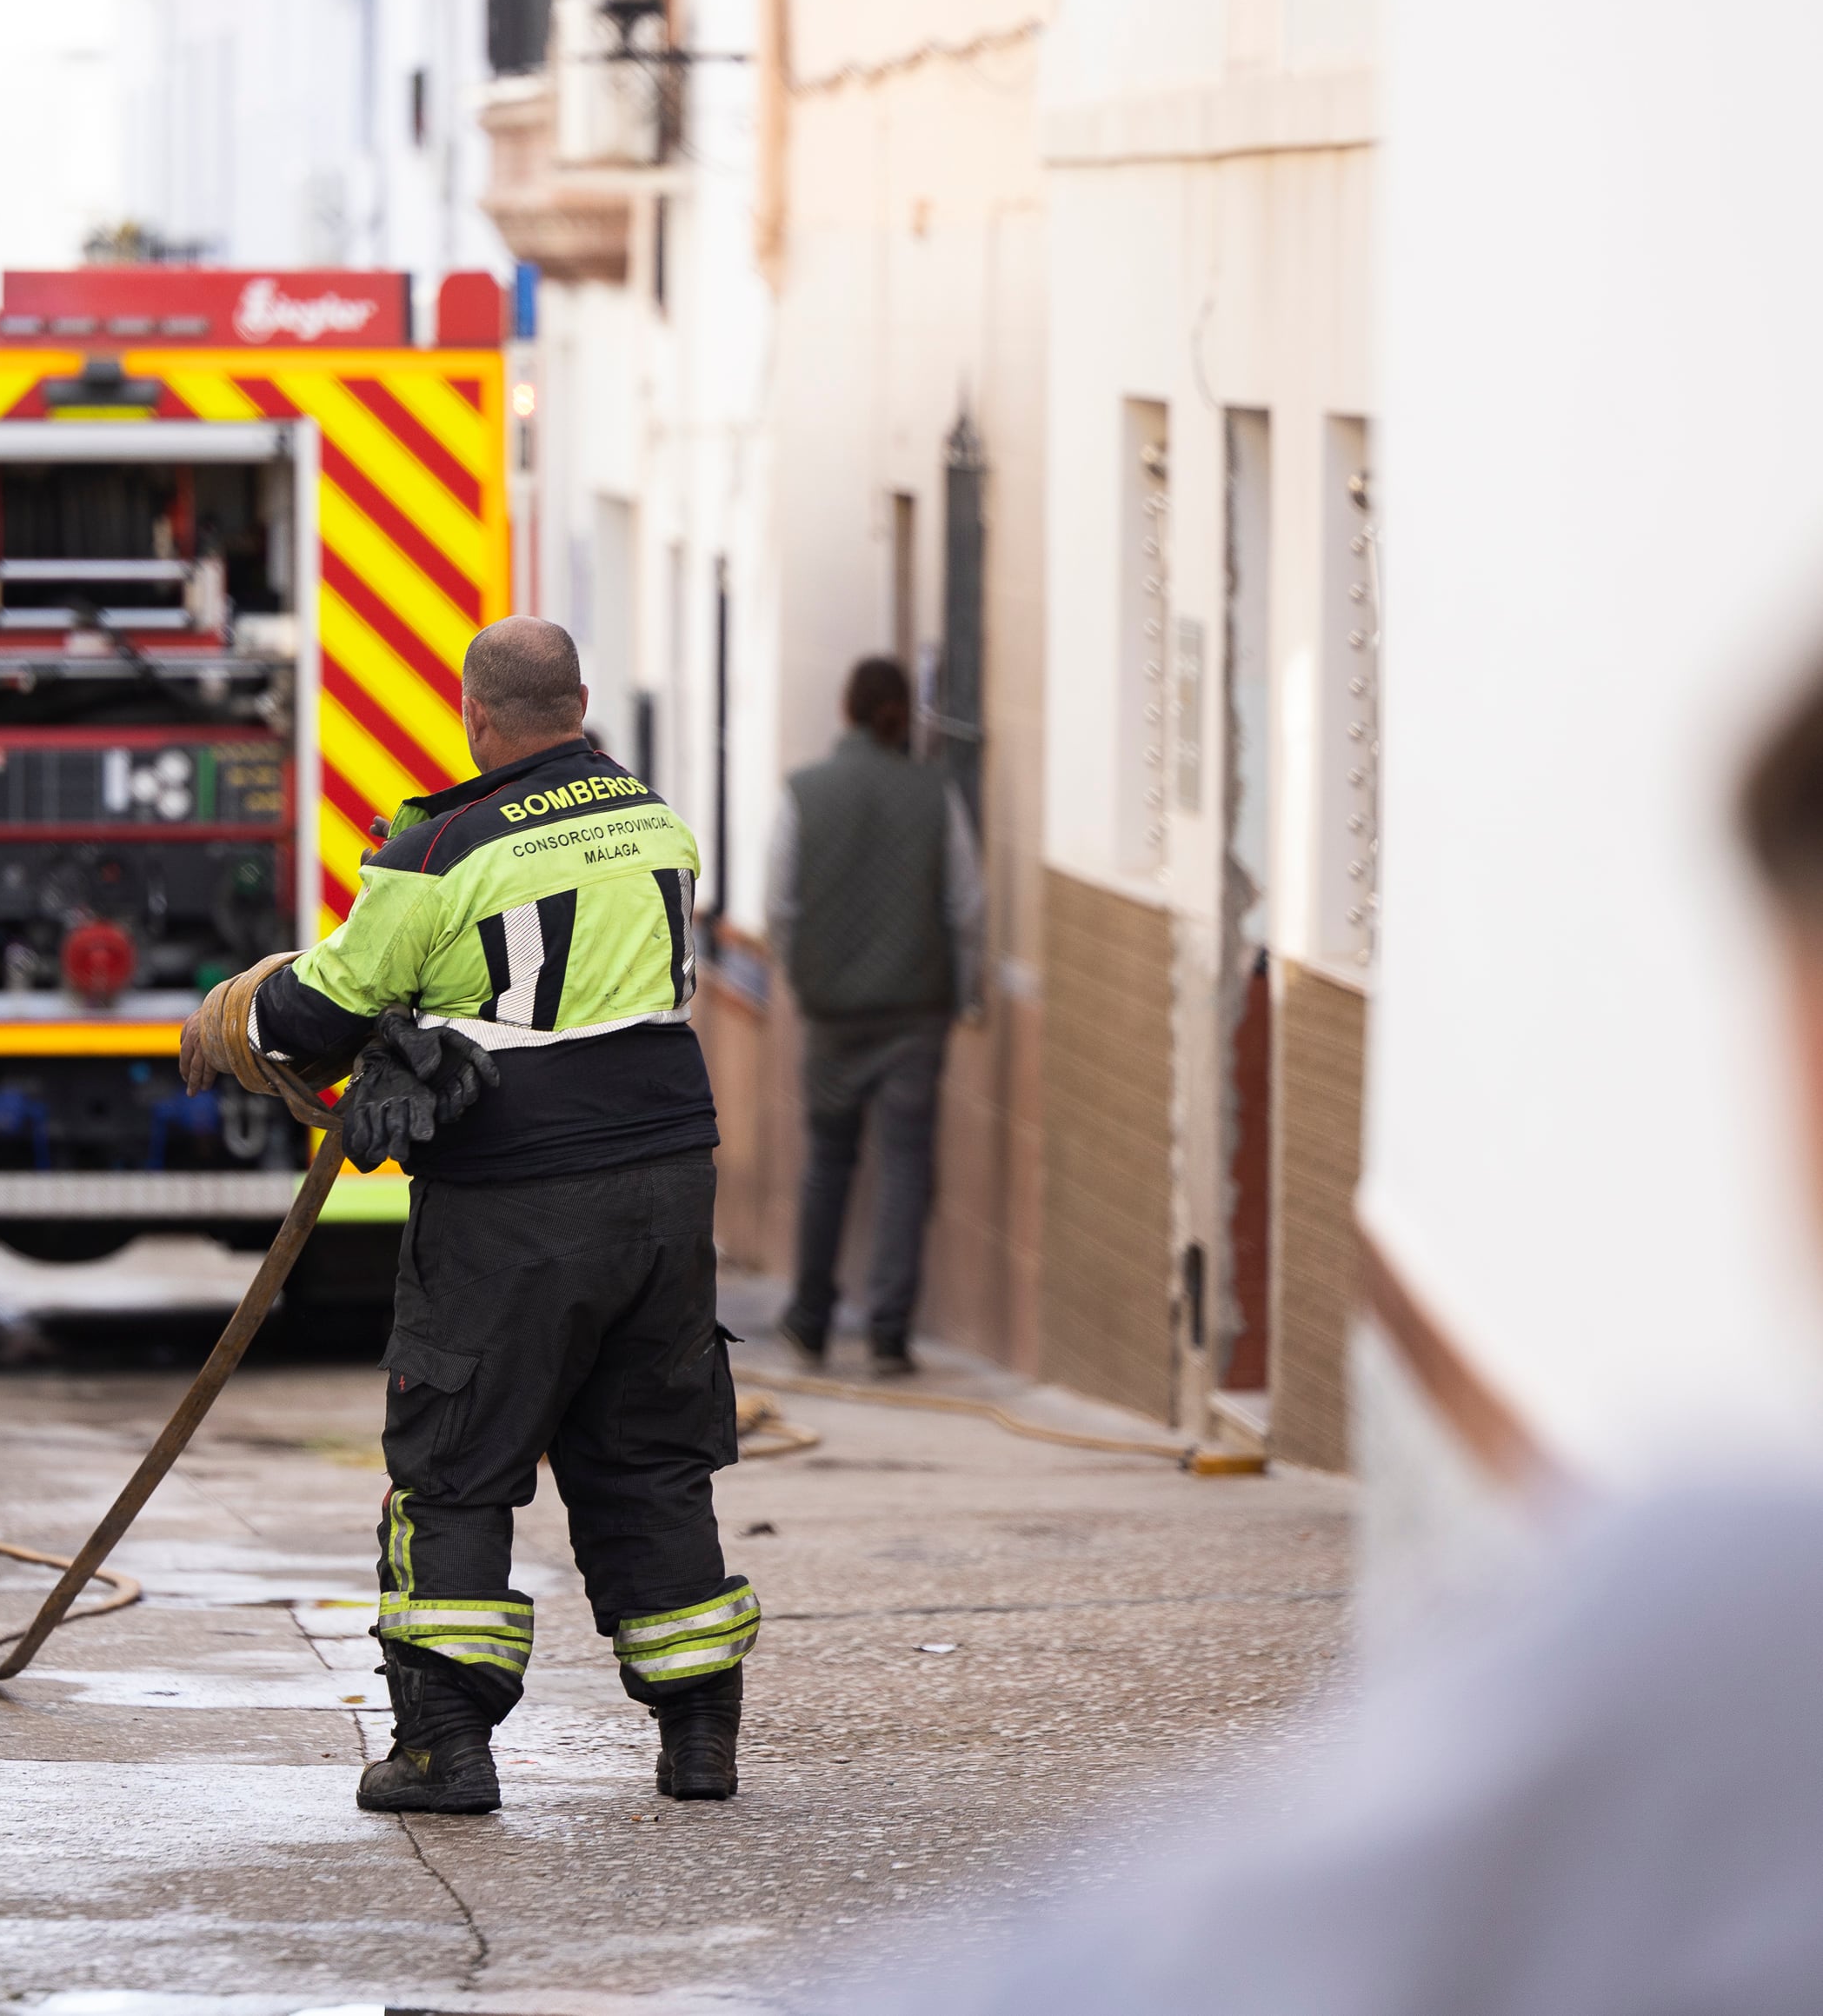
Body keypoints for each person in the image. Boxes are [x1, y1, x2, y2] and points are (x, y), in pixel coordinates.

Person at [843, 656, 1823, 2015]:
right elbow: (955, 905)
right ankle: (879, 1318)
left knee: (851, 1180)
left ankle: (859, 1320)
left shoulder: (1742, 1615)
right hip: (876, 1028)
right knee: (890, 1183)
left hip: (784, 1045)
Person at [182, 615, 752, 1813]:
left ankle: (446, 1748)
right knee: (648, 1454)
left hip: (514, 1203)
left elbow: (325, 1010)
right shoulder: (655, 818)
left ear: (472, 715)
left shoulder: (435, 848)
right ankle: (699, 1738)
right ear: (582, 702)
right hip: (666, 1183)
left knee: (451, 1468)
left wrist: (246, 1008)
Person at [763, 657, 986, 1376]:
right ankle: (890, 1331)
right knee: (904, 1166)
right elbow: (966, 905)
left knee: (827, 1163)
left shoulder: (804, 794)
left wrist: (805, 979)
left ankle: (811, 1319)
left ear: (846, 709)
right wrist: (965, 991)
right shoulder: (936, 794)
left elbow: (780, 906)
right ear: (901, 715)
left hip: (833, 1013)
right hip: (915, 1013)